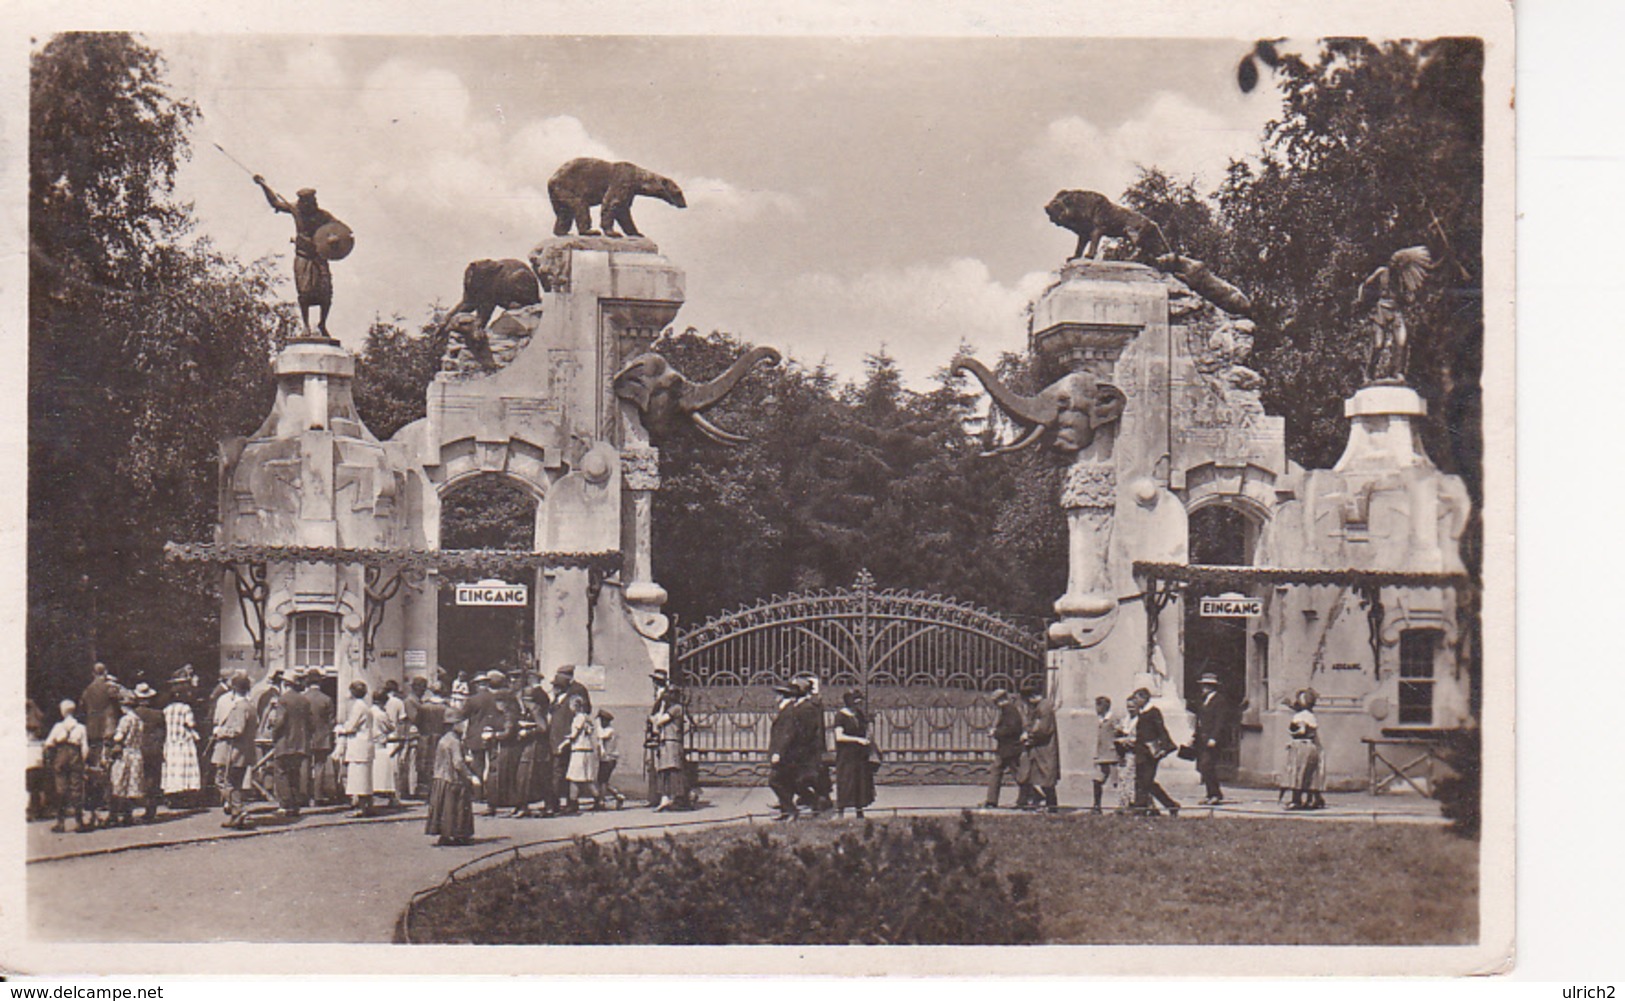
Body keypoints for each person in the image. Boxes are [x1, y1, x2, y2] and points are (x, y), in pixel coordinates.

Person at [253, 176, 338, 337]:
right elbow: (275, 203)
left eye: (312, 201)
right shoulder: (296, 210)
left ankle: (322, 324)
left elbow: (340, 229)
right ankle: (305, 325)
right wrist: (263, 185)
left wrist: (333, 237)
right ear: (302, 202)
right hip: (303, 256)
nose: (309, 205)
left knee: (326, 293)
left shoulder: (323, 215)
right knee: (304, 292)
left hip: (319, 257)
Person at [212, 671, 260, 829]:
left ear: (233, 690)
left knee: (222, 781)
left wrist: (220, 731)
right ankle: (235, 814)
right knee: (236, 783)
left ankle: (238, 809)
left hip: (232, 751)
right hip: (244, 751)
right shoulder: (251, 706)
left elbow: (237, 730)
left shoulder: (239, 707)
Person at [425, 710, 479, 846]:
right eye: (462, 723)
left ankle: (445, 834)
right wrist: (471, 776)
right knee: (457, 807)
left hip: (440, 778)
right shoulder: (455, 741)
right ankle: (458, 834)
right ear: (455, 724)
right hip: (453, 779)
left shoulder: (444, 739)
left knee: (443, 808)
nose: (465, 725)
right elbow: (458, 763)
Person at [1126, 688, 1180, 817]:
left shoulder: (1154, 712)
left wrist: (1164, 747)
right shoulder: (1142, 713)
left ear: (1144, 698)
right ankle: (1166, 806)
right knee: (1142, 781)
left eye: (1137, 698)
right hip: (1140, 752)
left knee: (1146, 781)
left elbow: (1161, 730)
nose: (1135, 701)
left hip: (1151, 753)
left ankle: (1144, 808)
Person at [270, 671, 312, 817]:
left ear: (284, 683)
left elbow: (280, 721)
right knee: (295, 773)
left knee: (281, 773)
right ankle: (295, 805)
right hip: (300, 743)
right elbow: (309, 723)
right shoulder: (304, 700)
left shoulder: (283, 700)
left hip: (284, 742)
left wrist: (274, 734)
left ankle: (284, 805)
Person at [44, 699, 89, 833]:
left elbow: (48, 743)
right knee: (76, 789)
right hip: (75, 756)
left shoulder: (58, 726)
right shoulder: (81, 727)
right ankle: (79, 822)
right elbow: (85, 748)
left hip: (61, 756)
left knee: (61, 790)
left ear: (62, 712)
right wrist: (83, 761)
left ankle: (60, 823)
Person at [646, 671, 688, 812]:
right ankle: (666, 799)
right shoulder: (673, 708)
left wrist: (661, 708)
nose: (669, 696)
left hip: (672, 741)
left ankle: (675, 798)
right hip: (666, 741)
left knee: (671, 770)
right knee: (665, 771)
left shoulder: (676, 709)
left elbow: (659, 720)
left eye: (671, 694)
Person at [511, 685, 554, 817]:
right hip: (532, 748)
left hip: (536, 748)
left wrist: (527, 732)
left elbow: (543, 728)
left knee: (527, 777)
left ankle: (542, 806)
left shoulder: (535, 710)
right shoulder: (532, 710)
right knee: (529, 777)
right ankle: (531, 805)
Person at [833, 689, 876, 818]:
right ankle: (841, 811)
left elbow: (864, 729)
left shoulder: (859, 714)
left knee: (860, 782)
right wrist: (857, 740)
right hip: (846, 755)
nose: (859, 705)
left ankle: (859, 810)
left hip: (859, 755)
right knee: (846, 782)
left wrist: (868, 735)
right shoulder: (840, 716)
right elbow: (839, 736)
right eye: (856, 702)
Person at [1192, 672, 1233, 805]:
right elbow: (1200, 721)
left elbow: (1220, 722)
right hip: (1202, 738)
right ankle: (1211, 794)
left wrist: (1214, 738)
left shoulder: (1219, 701)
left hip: (1213, 740)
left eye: (1207, 685)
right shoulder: (1204, 700)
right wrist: (1194, 737)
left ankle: (1215, 794)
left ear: (1212, 687)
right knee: (1204, 767)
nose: (1204, 688)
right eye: (1203, 685)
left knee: (1207, 765)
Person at [790, 678, 831, 813]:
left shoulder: (809, 706)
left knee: (807, 775)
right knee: (810, 774)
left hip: (810, 747)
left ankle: (817, 800)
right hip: (812, 746)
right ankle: (815, 798)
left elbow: (808, 730)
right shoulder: (812, 703)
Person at [1018, 685, 1060, 813]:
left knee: (1047, 779)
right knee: (1041, 777)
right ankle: (1047, 804)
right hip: (1040, 749)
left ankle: (1052, 806)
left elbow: (1043, 729)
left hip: (1045, 749)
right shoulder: (1042, 707)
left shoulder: (1044, 708)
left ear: (1032, 697)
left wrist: (1029, 735)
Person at [336, 680, 375, 817]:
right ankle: (367, 805)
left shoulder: (358, 706)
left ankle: (361, 808)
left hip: (359, 745)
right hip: (365, 745)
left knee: (359, 778)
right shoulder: (365, 706)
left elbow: (350, 726)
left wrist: (341, 729)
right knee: (365, 777)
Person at [1283, 689, 1327, 811]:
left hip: (1301, 745)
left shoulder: (1301, 717)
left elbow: (1301, 731)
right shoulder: (1310, 716)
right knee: (1309, 773)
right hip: (1309, 745)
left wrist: (1292, 732)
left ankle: (1297, 800)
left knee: (1298, 772)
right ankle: (1313, 799)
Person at [983, 688, 1026, 809]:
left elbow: (1013, 729)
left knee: (1018, 775)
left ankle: (1030, 796)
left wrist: (996, 732)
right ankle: (991, 801)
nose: (996, 704)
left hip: (1010, 748)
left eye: (996, 701)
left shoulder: (1010, 710)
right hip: (1006, 747)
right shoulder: (1007, 710)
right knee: (998, 771)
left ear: (1000, 700)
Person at [161, 684, 202, 807]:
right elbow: (190, 723)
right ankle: (186, 796)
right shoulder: (185, 708)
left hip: (170, 742)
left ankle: (172, 796)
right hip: (183, 742)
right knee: (185, 769)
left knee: (172, 770)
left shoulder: (166, 709)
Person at [766, 683, 803, 821]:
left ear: (782, 696)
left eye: (777, 694)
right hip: (786, 754)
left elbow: (787, 734)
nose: (775, 697)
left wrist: (778, 753)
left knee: (774, 781)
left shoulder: (788, 711)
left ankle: (792, 811)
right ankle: (785, 812)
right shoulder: (787, 709)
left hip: (785, 755)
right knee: (785, 782)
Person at [131, 683, 167, 822]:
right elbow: (163, 734)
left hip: (138, 749)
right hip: (154, 749)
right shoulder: (158, 714)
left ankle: (137, 805)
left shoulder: (134, 714)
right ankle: (151, 808)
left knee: (139, 777)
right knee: (153, 778)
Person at [562, 695, 601, 813]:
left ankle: (573, 803)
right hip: (586, 750)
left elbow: (574, 735)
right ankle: (599, 800)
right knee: (588, 779)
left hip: (579, 751)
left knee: (573, 778)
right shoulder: (587, 718)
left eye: (571, 705)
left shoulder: (578, 718)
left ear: (575, 706)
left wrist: (562, 744)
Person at [304, 671, 337, 805]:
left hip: (306, 737)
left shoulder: (303, 698)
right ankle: (318, 796)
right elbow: (332, 720)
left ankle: (305, 796)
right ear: (320, 682)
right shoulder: (326, 699)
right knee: (319, 766)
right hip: (322, 737)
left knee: (304, 766)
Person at [415, 679, 449, 797]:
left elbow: (417, 721)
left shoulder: (424, 706)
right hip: (441, 737)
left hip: (426, 737)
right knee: (440, 763)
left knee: (426, 764)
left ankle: (428, 789)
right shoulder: (445, 706)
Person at [1091, 695, 1121, 814]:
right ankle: (1096, 806)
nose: (1096, 709)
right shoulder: (1100, 719)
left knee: (1117, 782)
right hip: (1102, 755)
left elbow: (1120, 733)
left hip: (1112, 755)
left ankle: (1121, 805)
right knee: (1097, 780)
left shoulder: (1113, 719)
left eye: (1098, 706)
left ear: (1104, 707)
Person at [370, 688, 398, 809]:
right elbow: (391, 727)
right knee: (386, 775)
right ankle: (391, 798)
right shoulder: (381, 714)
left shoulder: (368, 711)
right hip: (380, 746)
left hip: (370, 745)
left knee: (371, 776)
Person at [400, 676, 427, 799]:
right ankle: (410, 790)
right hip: (412, 735)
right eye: (422, 688)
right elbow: (414, 718)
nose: (424, 691)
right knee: (411, 763)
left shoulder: (417, 700)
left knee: (415, 763)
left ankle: (412, 788)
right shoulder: (410, 701)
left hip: (417, 734)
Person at [26, 698, 51, 821]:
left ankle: (35, 810)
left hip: (32, 765)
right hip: (36, 764)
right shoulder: (40, 742)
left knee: (33, 789)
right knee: (37, 789)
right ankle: (38, 809)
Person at [596, 709, 626, 810]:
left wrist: (597, 725)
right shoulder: (606, 730)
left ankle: (602, 802)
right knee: (602, 781)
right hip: (605, 758)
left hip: (609, 759)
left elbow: (600, 735)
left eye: (602, 721)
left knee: (603, 781)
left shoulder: (609, 731)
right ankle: (617, 796)